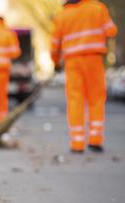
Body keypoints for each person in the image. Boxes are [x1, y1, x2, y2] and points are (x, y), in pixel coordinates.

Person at [51, 0, 117, 153]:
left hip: (72, 61)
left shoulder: (62, 15)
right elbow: (111, 30)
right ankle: (95, 139)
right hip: (94, 59)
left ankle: (77, 143)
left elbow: (55, 43)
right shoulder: (97, 8)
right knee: (96, 99)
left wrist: (56, 62)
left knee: (75, 100)